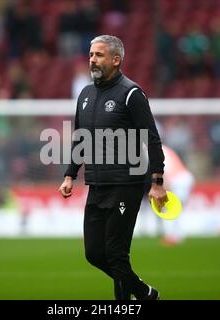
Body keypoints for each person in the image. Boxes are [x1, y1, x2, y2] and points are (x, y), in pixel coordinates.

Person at [59, 35, 167, 300]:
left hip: (125, 185)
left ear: (116, 60)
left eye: (99, 55)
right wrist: (70, 174)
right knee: (94, 253)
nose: (92, 60)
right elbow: (80, 138)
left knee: (117, 254)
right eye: (91, 54)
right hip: (97, 185)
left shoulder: (131, 93)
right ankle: (145, 293)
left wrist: (157, 182)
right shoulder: (85, 94)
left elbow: (151, 138)